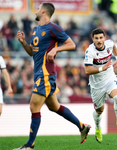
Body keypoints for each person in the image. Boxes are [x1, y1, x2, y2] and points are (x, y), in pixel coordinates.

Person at [14, 3, 90, 150]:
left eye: (37, 9)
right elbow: (31, 52)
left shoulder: (53, 28)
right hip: (39, 74)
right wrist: (23, 43)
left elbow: (71, 44)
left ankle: (30, 146)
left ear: (43, 12)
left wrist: (56, 49)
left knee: (34, 106)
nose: (35, 11)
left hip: (46, 74)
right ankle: (82, 127)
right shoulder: (36, 29)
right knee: (54, 106)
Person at [84, 28, 117, 143]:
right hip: (96, 85)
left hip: (109, 78)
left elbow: (114, 46)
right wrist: (101, 68)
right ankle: (98, 129)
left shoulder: (109, 44)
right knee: (100, 110)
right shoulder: (90, 51)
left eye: (101, 38)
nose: (99, 40)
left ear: (104, 38)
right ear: (93, 39)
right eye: (96, 38)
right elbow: (87, 70)